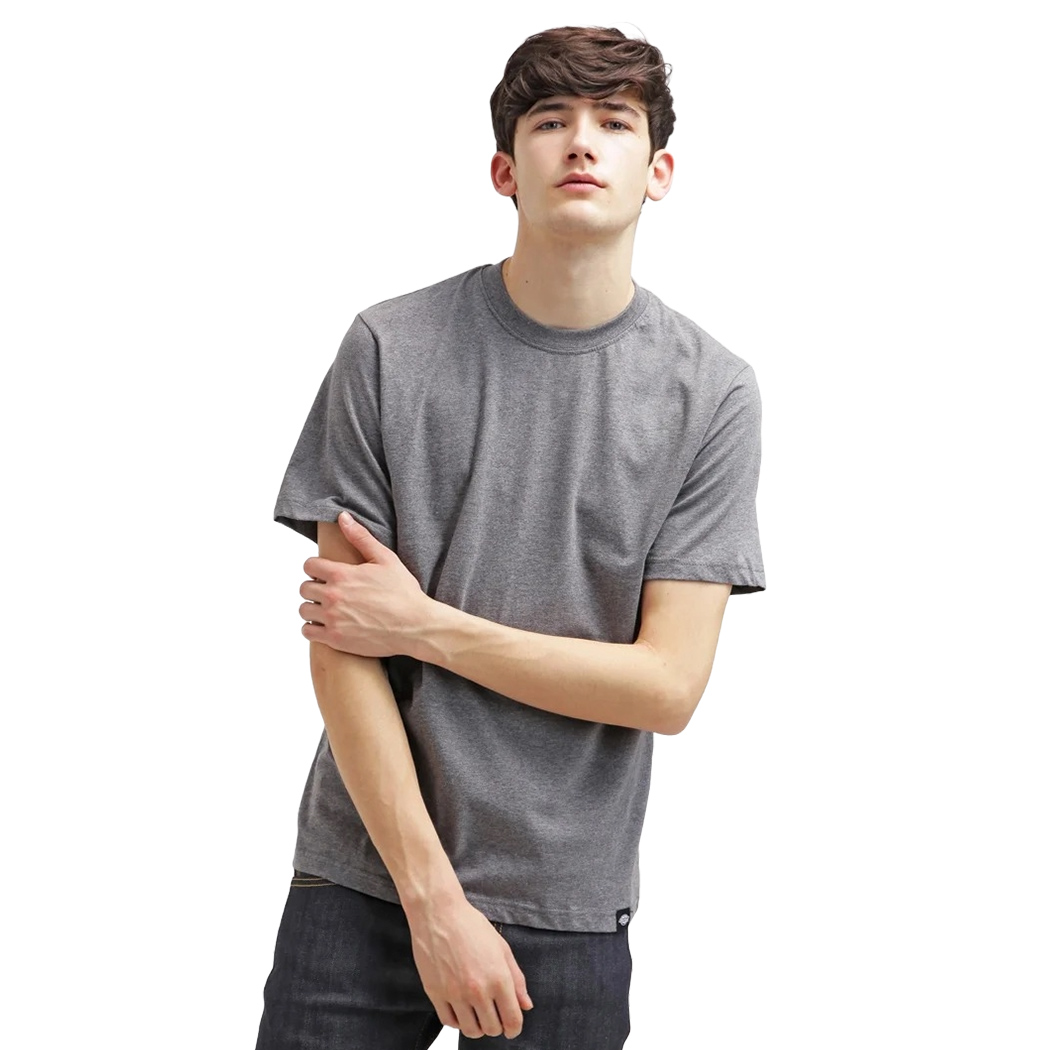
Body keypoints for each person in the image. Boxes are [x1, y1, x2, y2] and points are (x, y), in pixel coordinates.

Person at [256, 24, 765, 1050]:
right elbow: (343, 643)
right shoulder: (389, 348)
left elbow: (667, 687)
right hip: (367, 876)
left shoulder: (711, 394)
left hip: (567, 897)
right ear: (504, 170)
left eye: (614, 122)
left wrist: (423, 627)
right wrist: (433, 903)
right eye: (550, 121)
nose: (581, 142)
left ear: (658, 172)